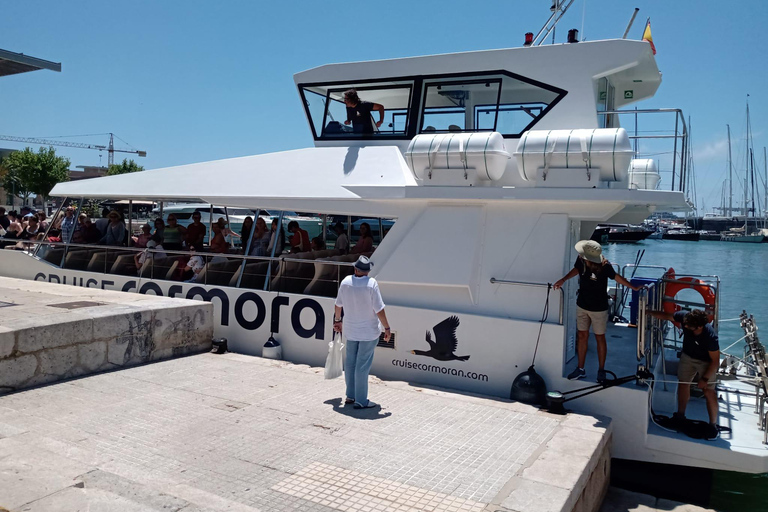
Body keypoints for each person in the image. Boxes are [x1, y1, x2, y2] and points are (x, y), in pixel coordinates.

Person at [553, 240, 642, 383]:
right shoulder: (580, 261)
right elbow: (576, 269)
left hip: (599, 309)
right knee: (582, 336)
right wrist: (563, 280)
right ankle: (580, 369)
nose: (580, 255)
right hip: (582, 305)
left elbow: (616, 277)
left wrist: (633, 288)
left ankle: (601, 370)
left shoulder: (605, 266)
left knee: (600, 338)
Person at [646, 308, 720, 440]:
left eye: (689, 326)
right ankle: (680, 415)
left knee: (709, 392)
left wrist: (704, 378)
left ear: (700, 326)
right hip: (687, 356)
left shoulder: (710, 337)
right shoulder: (685, 318)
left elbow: (715, 361)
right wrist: (649, 312)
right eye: (685, 324)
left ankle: (713, 425)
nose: (685, 327)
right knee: (683, 383)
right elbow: (667, 316)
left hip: (706, 361)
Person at [333, 255, 391, 409]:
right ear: (367, 271)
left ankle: (350, 396)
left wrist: (338, 321)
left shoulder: (345, 282)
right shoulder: (371, 284)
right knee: (362, 366)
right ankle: (361, 400)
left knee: (351, 363)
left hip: (351, 330)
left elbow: (338, 305)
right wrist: (387, 327)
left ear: (355, 269)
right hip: (368, 332)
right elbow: (379, 310)